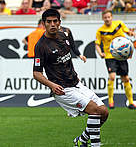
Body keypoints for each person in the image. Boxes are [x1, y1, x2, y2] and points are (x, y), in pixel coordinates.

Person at [33, 9, 108, 147]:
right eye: (49, 22)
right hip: (62, 90)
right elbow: (36, 74)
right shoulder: (41, 46)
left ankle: (81, 140)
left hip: (76, 84)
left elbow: (72, 46)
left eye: (55, 21)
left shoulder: (66, 33)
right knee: (95, 111)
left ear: (59, 22)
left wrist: (79, 55)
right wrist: (52, 85)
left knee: (104, 112)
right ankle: (95, 145)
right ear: (43, 24)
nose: (52, 24)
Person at [95, 10, 136, 110]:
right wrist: (100, 53)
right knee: (112, 77)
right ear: (102, 18)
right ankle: (111, 101)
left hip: (121, 56)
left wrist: (131, 33)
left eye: (109, 17)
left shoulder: (119, 24)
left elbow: (128, 32)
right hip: (110, 56)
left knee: (125, 78)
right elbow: (97, 44)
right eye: (105, 17)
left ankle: (131, 102)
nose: (107, 19)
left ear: (112, 17)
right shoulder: (100, 30)